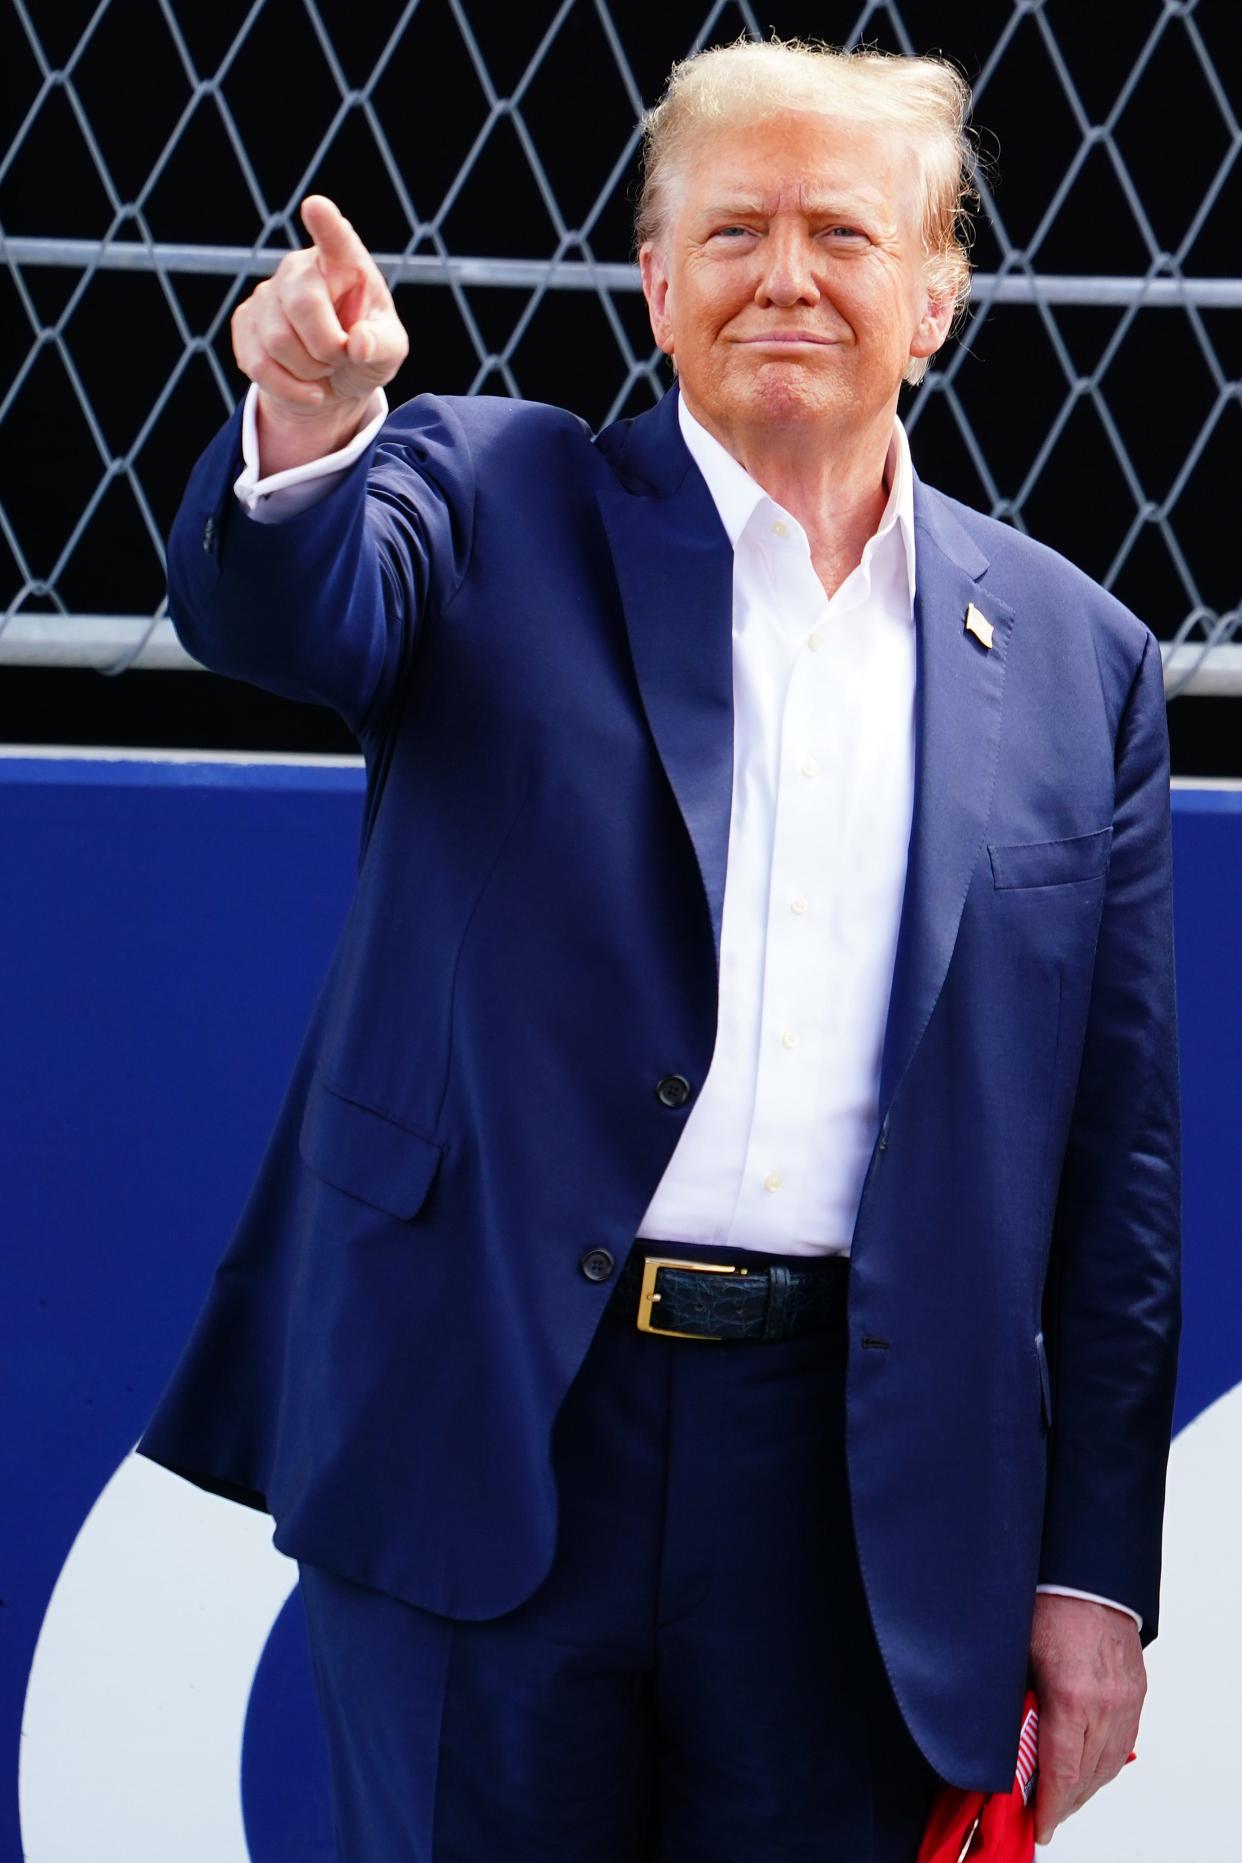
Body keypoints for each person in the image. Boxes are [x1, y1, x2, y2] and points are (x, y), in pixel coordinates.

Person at [139, 36, 1181, 1862]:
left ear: (936, 292)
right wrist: (306, 420)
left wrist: (1093, 1576)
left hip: (855, 1507)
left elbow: (1119, 1175)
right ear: (652, 278)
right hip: (492, 1434)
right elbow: (285, 603)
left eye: (843, 234)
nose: (784, 275)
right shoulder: (485, 497)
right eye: (732, 231)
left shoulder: (1076, 661)